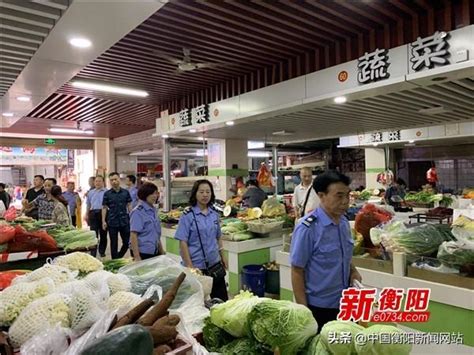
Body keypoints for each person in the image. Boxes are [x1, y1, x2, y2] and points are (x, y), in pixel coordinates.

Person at [290, 171, 362, 331]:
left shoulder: (343, 223)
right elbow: (296, 270)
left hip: (346, 302)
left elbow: (344, 254)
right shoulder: (308, 228)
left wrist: (353, 270)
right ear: (321, 196)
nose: (345, 202)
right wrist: (304, 312)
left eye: (347, 196)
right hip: (319, 308)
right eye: (339, 196)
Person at [175, 179, 228, 301]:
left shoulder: (214, 214)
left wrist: (222, 256)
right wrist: (190, 266)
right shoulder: (188, 215)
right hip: (197, 266)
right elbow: (183, 242)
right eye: (201, 192)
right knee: (200, 302)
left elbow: (218, 237)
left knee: (221, 300)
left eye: (208, 192)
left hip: (215, 265)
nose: (205, 195)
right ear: (195, 194)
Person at [130, 183, 165, 261]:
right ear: (144, 194)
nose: (155, 196)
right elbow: (133, 235)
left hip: (154, 250)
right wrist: (137, 256)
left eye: (156, 193)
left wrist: (161, 251)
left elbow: (156, 234)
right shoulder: (138, 212)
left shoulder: (154, 210)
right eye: (151, 193)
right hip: (142, 252)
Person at [102, 172, 132, 259]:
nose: (114, 181)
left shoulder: (126, 192)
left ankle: (119, 256)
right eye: (111, 180)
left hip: (124, 221)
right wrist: (103, 221)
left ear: (119, 179)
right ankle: (114, 260)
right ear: (110, 181)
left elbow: (129, 205)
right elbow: (104, 207)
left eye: (115, 179)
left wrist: (132, 217)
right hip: (112, 221)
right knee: (113, 243)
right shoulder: (107, 194)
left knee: (127, 242)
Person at [86, 176, 107, 257]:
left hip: (103, 213)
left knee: (103, 233)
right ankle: (93, 252)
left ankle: (102, 251)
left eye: (99, 181)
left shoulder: (107, 192)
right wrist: (87, 214)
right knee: (93, 234)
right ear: (94, 182)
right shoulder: (90, 192)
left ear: (103, 182)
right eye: (96, 181)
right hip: (93, 214)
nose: (97, 183)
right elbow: (88, 204)